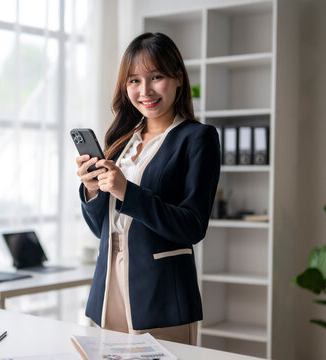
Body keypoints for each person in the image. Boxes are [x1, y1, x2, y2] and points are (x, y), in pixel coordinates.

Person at [75, 32, 220, 345]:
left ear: (178, 77)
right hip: (108, 282)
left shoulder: (198, 138)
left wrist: (128, 191)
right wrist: (92, 191)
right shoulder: (122, 141)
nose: (145, 90)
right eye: (134, 80)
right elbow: (100, 228)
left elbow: (192, 226)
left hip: (161, 292)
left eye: (156, 77)